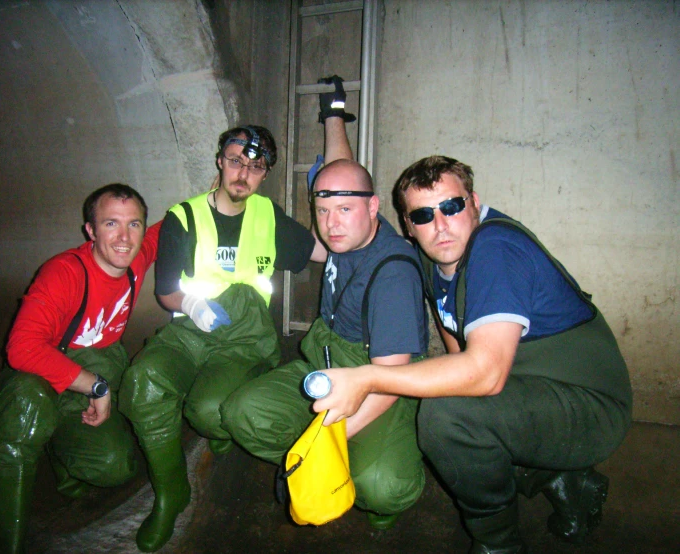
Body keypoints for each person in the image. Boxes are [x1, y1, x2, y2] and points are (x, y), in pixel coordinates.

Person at [313, 155, 633, 553]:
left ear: (474, 203)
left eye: (451, 206)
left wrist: (366, 378)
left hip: (591, 404)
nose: (441, 225)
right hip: (533, 391)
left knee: (447, 417)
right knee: (450, 401)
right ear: (409, 228)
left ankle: (498, 544)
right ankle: (563, 479)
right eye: (424, 215)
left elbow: (483, 374)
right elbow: (456, 348)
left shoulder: (495, 248)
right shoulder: (437, 262)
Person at [221, 76, 428, 530]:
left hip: (380, 380)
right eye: (322, 210)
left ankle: (373, 486)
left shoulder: (391, 273)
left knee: (382, 484)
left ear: (374, 208)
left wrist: (312, 449)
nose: (331, 224)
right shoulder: (344, 222)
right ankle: (334, 460)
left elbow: (391, 380)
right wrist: (333, 113)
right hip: (323, 363)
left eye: (344, 210)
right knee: (241, 413)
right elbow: (341, 175)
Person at [119, 124, 327, 552]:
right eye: (236, 161)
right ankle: (170, 493)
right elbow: (166, 290)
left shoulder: (270, 217)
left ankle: (221, 423)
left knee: (210, 410)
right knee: (143, 381)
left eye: (255, 166)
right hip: (191, 329)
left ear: (264, 174)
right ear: (220, 161)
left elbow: (325, 250)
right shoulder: (184, 216)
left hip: (245, 339)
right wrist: (193, 305)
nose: (243, 173)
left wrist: (369, 240)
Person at [0, 184, 160, 554]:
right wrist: (95, 386)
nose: (124, 237)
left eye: (134, 225)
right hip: (39, 378)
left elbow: (173, 226)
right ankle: (7, 543)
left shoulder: (137, 256)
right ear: (91, 231)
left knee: (116, 467)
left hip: (90, 375)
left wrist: (224, 184)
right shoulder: (64, 273)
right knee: (28, 409)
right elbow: (22, 348)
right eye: (111, 223)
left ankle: (59, 452)